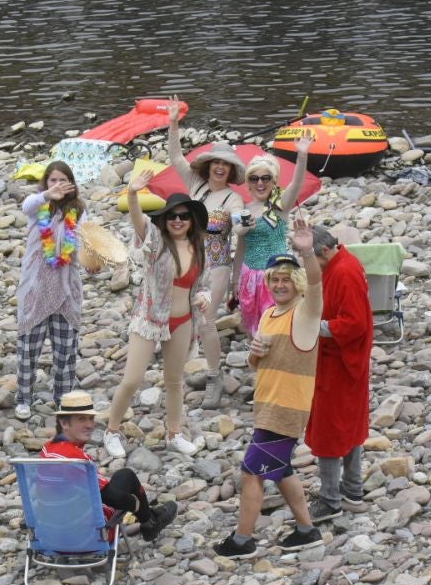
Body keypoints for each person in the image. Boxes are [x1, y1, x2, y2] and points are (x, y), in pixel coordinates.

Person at [214, 217, 325, 559]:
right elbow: (259, 363)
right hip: (266, 406)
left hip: (287, 409)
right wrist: (253, 354)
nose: (279, 285)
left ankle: (243, 540)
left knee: (252, 471)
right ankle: (307, 531)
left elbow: (317, 288)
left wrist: (305, 253)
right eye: (274, 280)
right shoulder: (268, 315)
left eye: (285, 280)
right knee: (280, 468)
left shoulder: (304, 315)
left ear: (296, 283)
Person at [104, 171, 211, 459]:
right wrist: (133, 193)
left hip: (183, 321)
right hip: (150, 320)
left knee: (175, 381)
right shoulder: (155, 241)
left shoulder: (199, 247)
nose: (178, 220)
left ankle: (175, 434)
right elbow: (138, 220)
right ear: (164, 220)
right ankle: (112, 431)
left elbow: (204, 286)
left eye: (184, 216)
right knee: (132, 379)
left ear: (192, 221)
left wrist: (204, 297)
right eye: (172, 216)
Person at [166, 97, 247, 409]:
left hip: (216, 264)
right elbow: (174, 155)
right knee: (185, 314)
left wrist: (243, 225)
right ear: (208, 165)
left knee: (207, 319)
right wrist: (174, 122)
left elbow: (240, 226)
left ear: (230, 171)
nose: (219, 167)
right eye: (215, 162)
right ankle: (195, 365)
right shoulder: (195, 185)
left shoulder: (232, 200)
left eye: (224, 164)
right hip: (187, 261)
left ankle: (214, 377)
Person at [41, 391, 178, 539]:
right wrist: (136, 505)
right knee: (126, 476)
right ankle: (149, 522)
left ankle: (149, 518)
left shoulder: (47, 449)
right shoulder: (76, 460)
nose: (89, 425)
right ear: (64, 423)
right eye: (82, 419)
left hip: (48, 535)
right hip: (87, 536)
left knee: (117, 480)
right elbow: (112, 498)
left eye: (91, 419)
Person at [305, 226, 373, 522]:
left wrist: (315, 326)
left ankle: (331, 499)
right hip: (346, 362)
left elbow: (354, 323)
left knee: (329, 430)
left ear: (323, 251)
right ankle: (353, 490)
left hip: (339, 362)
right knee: (350, 423)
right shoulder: (344, 262)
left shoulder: (343, 271)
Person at [14, 160, 85, 421]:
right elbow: (26, 205)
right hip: (36, 288)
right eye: (52, 180)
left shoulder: (78, 211)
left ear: (71, 183)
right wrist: (46, 195)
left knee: (65, 349)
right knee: (28, 347)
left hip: (66, 289)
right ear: (46, 183)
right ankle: (23, 397)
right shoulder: (38, 207)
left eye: (62, 180)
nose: (57, 185)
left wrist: (93, 259)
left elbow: (87, 243)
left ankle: (64, 397)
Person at [231, 135, 314, 336]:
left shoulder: (280, 206)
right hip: (250, 275)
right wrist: (234, 281)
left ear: (273, 182)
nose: (260, 183)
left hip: (278, 275)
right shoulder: (242, 210)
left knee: (279, 322)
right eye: (254, 178)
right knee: (253, 322)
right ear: (248, 184)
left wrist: (302, 154)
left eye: (265, 178)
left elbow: (297, 182)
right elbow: (241, 247)